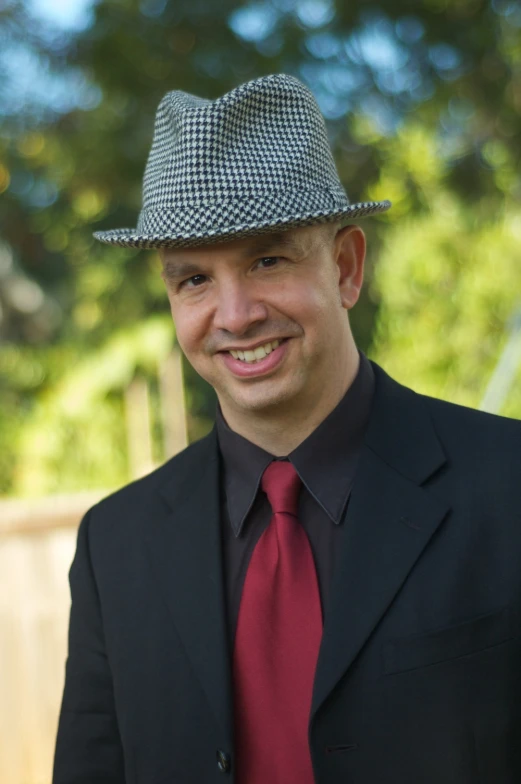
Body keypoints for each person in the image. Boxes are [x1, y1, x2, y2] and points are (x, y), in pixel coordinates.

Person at [52, 74, 521, 784]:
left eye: (266, 260)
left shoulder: (507, 486)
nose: (234, 315)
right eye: (193, 281)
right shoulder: (115, 546)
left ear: (345, 267)